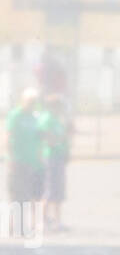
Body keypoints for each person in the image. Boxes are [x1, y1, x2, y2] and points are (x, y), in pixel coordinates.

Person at [38, 94, 72, 232]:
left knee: (58, 191)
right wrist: (60, 138)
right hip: (50, 157)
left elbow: (62, 138)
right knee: (50, 190)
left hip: (59, 157)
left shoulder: (57, 120)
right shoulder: (47, 119)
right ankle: (42, 221)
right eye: (58, 106)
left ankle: (57, 222)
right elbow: (47, 138)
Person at [5, 88, 45, 203]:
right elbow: (8, 135)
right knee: (16, 196)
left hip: (32, 162)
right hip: (18, 161)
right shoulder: (16, 115)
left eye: (34, 101)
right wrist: (10, 157)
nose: (32, 103)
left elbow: (39, 137)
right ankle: (13, 221)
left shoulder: (35, 117)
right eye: (30, 100)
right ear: (23, 100)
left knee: (28, 195)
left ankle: (24, 220)